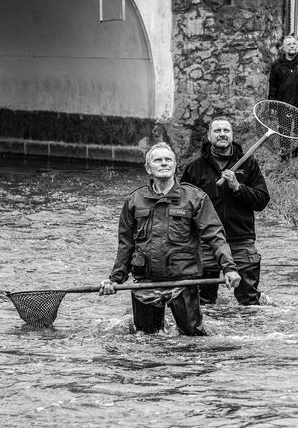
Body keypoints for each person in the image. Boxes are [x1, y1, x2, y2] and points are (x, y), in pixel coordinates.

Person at [99, 143, 241, 336]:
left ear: (175, 166)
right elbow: (126, 244)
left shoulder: (195, 198)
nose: (164, 163)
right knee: (146, 339)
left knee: (193, 338)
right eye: (158, 160)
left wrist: (229, 268)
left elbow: (215, 236)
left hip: (183, 281)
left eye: (168, 160)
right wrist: (114, 280)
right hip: (145, 282)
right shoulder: (134, 200)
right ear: (149, 168)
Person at [181, 119, 270, 306]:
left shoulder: (249, 164)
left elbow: (262, 200)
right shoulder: (194, 168)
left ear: (232, 136)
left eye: (226, 130)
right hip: (206, 243)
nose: (222, 134)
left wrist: (237, 187)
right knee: (203, 302)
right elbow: (183, 208)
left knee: (249, 302)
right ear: (209, 136)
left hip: (241, 240)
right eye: (217, 130)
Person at [268, 34, 298, 157]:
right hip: (283, 102)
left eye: (294, 44)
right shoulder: (277, 64)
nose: (292, 46)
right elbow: (273, 85)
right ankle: (284, 154)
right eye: (289, 44)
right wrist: (272, 104)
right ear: (283, 48)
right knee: (284, 129)